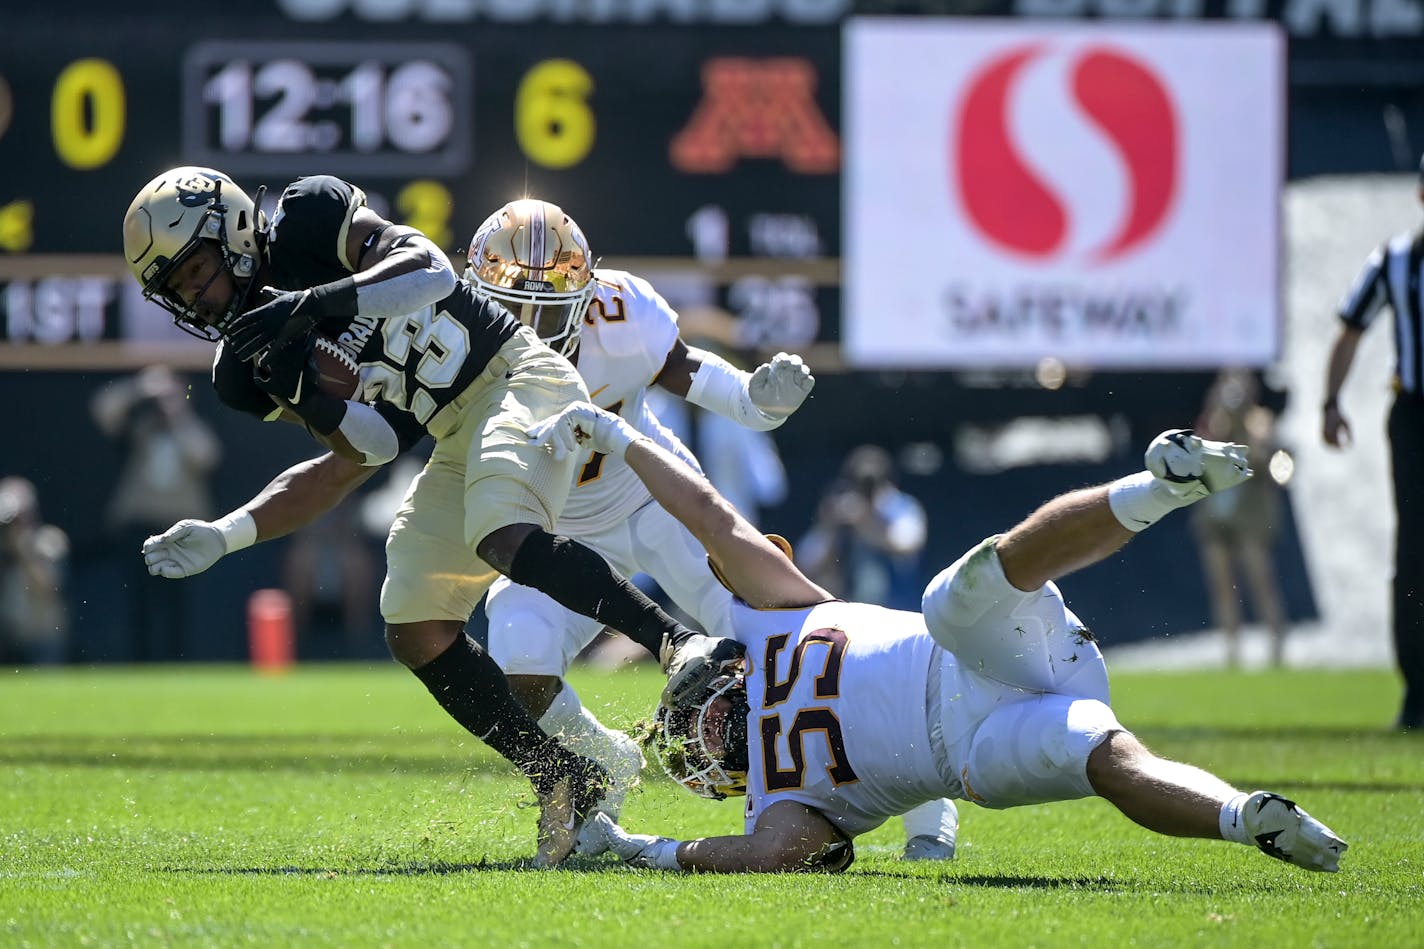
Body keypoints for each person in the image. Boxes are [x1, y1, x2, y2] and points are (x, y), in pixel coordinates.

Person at [121, 166, 722, 865]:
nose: (196, 295)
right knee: (413, 618)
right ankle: (562, 771)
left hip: (514, 374)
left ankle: (677, 642)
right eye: (177, 288)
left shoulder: (311, 217)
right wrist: (249, 500)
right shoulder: (243, 368)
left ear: (232, 232)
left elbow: (431, 271)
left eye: (195, 269)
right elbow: (371, 446)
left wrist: (309, 304)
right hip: (451, 427)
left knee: (499, 529)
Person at [527, 405, 1348, 874]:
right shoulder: (775, 801)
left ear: (718, 674)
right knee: (1100, 759)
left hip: (982, 648)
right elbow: (768, 851)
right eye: (695, 743)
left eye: (692, 718)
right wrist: (650, 850)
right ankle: (1248, 817)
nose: (705, 733)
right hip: (974, 747)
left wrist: (621, 436)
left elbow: (710, 514)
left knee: (952, 596)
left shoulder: (767, 617)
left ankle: (1155, 487)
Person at [462, 197, 819, 822]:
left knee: (764, 633)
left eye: (544, 314)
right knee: (521, 659)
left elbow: (691, 373)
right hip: (554, 530)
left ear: (584, 299)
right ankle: (609, 760)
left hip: (651, 493)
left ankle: (898, 786)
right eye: (509, 308)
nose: (526, 330)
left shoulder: (622, 316)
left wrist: (756, 402)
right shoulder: (455, 346)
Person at [1323, 153, 1424, 730]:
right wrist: (1330, 401)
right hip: (1414, 415)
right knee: (1414, 554)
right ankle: (1418, 693)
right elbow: (1350, 328)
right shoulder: (1395, 260)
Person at [90, 365, 221, 660]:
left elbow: (207, 456)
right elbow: (103, 410)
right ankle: (139, 663)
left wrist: (178, 413)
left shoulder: (192, 427)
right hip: (139, 525)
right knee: (138, 602)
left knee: (178, 604)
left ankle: (177, 662)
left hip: (181, 529)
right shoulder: (140, 427)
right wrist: (142, 387)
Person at [1190, 368, 1290, 668]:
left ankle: (1276, 646)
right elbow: (1197, 451)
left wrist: (1242, 423)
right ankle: (1232, 650)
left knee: (1259, 576)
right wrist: (1217, 410)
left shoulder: (1259, 420)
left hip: (1250, 510)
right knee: (1221, 580)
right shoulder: (1213, 419)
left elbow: (1262, 457)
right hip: (1216, 509)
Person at [796, 444, 928, 612]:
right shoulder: (844, 511)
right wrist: (829, 526)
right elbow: (806, 563)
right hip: (850, 610)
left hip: (898, 608)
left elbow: (908, 545)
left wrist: (866, 522)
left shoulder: (901, 507)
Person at [0, 477, 69, 666]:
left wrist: (23, 550)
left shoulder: (49, 540)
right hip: (9, 635)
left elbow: (48, 588)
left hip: (42, 637)